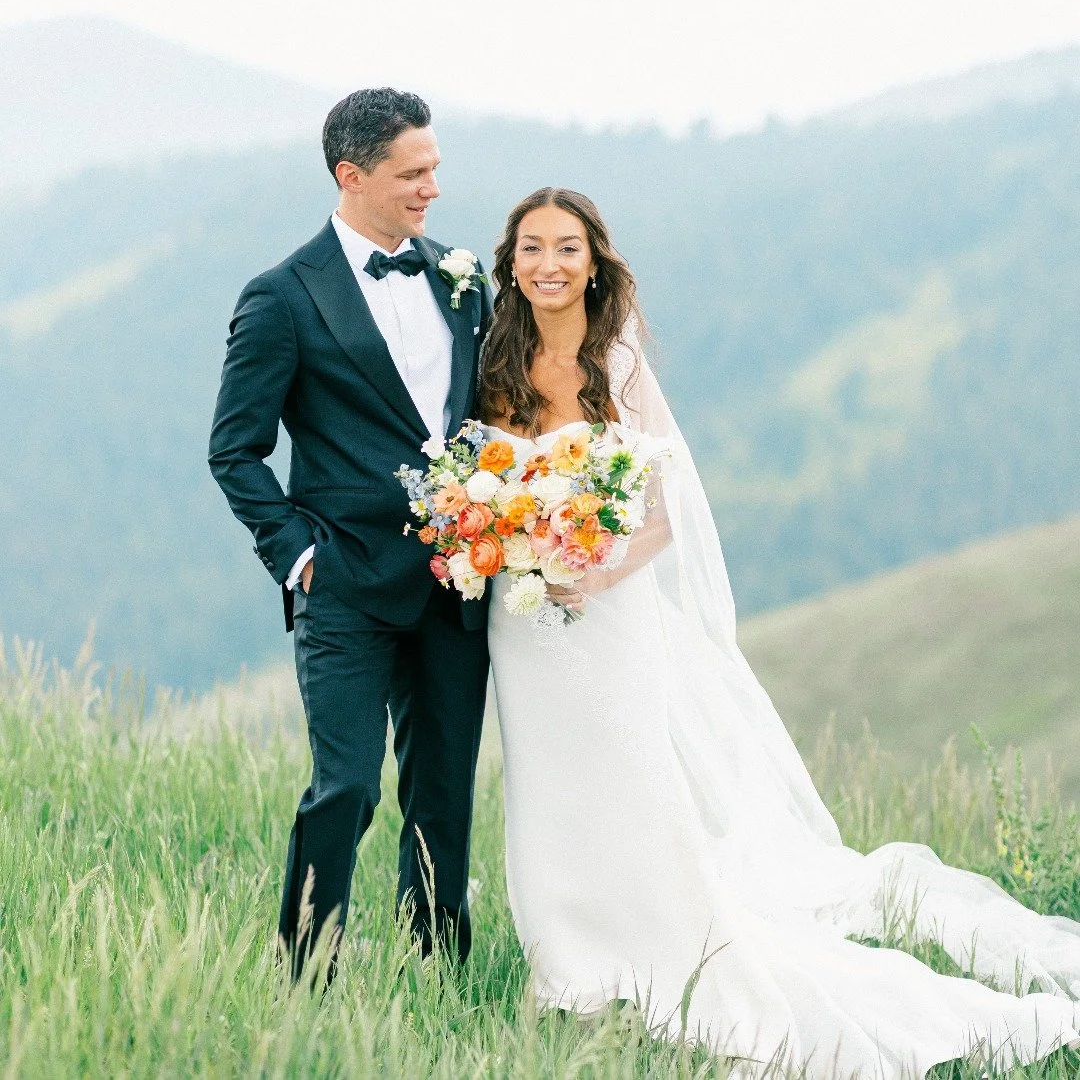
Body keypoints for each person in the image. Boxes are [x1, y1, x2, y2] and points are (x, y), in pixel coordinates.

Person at [478, 186, 1080, 1077]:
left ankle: (665, 953)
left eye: (567, 247)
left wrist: (596, 568)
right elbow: (484, 485)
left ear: (595, 263)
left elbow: (668, 511)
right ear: (511, 263)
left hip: (610, 616)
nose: (548, 265)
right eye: (531, 248)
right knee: (546, 787)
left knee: (630, 780)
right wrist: (505, 542)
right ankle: (567, 967)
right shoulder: (495, 363)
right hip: (525, 624)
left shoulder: (620, 368)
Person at [208, 89, 492, 980]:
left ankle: (438, 975)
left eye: (435, 168)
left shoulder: (463, 278)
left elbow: (483, 416)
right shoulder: (282, 296)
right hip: (343, 584)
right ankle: (305, 977)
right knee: (348, 788)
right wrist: (298, 556)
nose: (432, 188)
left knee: (442, 793)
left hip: (456, 581)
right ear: (352, 175)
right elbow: (234, 450)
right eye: (413, 173)